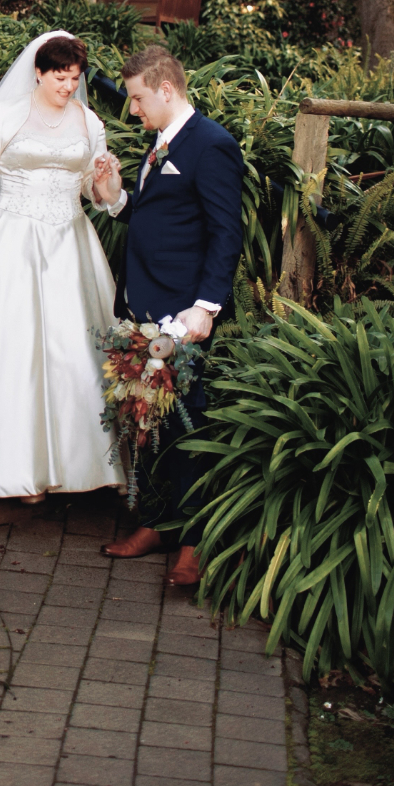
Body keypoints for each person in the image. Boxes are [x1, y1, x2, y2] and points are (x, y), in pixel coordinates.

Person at [0, 30, 124, 501]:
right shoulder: (8, 116)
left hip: (71, 243)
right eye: (60, 77)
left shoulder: (89, 121)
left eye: (74, 78)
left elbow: (97, 195)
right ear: (38, 72)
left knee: (74, 351)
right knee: (11, 351)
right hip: (10, 242)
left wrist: (106, 180)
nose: (68, 86)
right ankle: (14, 467)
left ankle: (84, 462)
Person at [98, 43, 244, 586]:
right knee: (150, 422)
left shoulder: (212, 144)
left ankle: (193, 542)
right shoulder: (160, 141)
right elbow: (157, 215)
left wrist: (205, 307)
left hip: (183, 312)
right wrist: (115, 198)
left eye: (138, 99)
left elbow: (226, 232)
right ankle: (156, 523)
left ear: (166, 89)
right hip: (144, 306)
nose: (132, 109)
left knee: (188, 423)